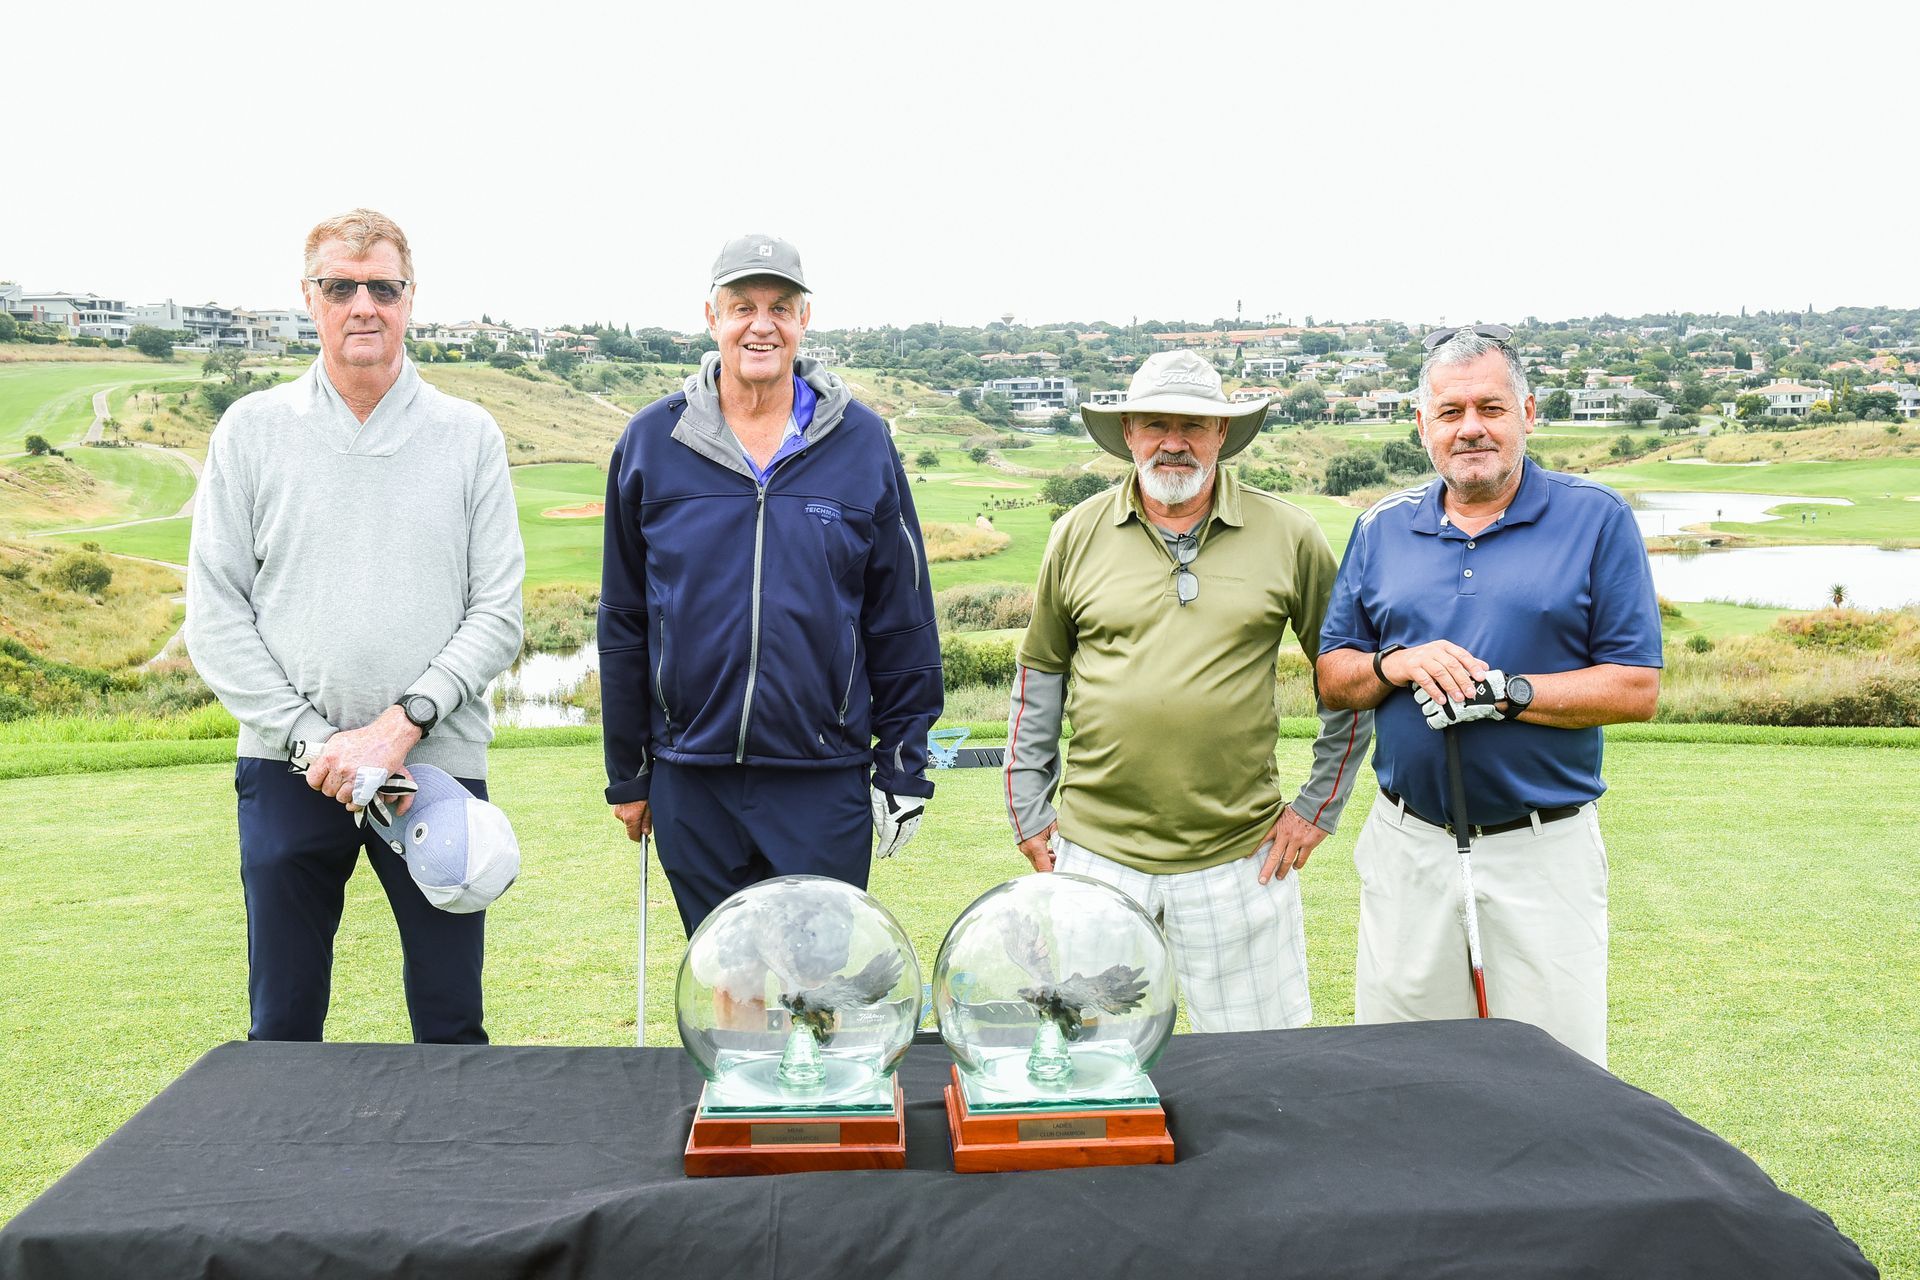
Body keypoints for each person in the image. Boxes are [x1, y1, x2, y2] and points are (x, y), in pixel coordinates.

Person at [186, 208, 525, 1044]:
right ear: (310, 298)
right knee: (283, 1025)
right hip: (290, 767)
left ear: (411, 298)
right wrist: (319, 746)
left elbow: (497, 614)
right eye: (340, 287)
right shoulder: (251, 430)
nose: (363, 305)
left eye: (382, 287)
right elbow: (216, 614)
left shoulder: (468, 436)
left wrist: (397, 728)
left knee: (451, 1022)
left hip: (433, 765)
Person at [1315, 324, 1662, 1066]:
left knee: (1556, 1073)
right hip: (1409, 843)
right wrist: (1398, 664)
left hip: (1543, 846)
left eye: (1491, 408)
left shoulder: (1596, 517)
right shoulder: (1380, 527)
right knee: (1402, 1071)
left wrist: (1508, 693)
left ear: (1528, 413)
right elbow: (1334, 675)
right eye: (1450, 411)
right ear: (1423, 424)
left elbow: (1636, 687)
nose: (1470, 427)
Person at [1004, 349, 1373, 1032]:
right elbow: (1041, 677)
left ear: (1221, 433)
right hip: (1096, 858)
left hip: (1242, 860)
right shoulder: (1075, 534)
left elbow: (1346, 678)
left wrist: (1318, 806)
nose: (1173, 442)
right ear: (1129, 433)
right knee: (1095, 1066)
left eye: (1194, 425)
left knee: (1261, 1068)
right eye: (1155, 424)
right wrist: (1028, 807)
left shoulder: (1290, 534)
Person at [599, 234, 942, 935]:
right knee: (726, 977)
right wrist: (629, 772)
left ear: (804, 319)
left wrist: (904, 764)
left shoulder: (863, 442)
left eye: (781, 307)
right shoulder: (650, 442)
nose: (762, 325)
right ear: (712, 316)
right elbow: (624, 617)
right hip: (693, 775)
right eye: (743, 307)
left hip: (823, 776)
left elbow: (902, 616)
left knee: (817, 979)